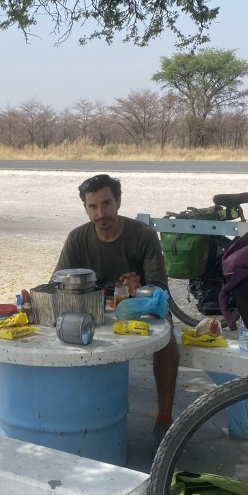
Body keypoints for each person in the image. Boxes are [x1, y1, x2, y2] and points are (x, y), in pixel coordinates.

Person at [54, 173, 179, 439]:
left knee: (167, 334)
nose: (101, 212)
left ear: (118, 202)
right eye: (93, 206)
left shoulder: (143, 235)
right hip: (92, 307)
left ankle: (165, 418)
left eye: (107, 203)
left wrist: (138, 289)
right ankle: (56, 406)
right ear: (86, 209)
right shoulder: (77, 238)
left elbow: (160, 288)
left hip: (137, 308)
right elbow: (58, 284)